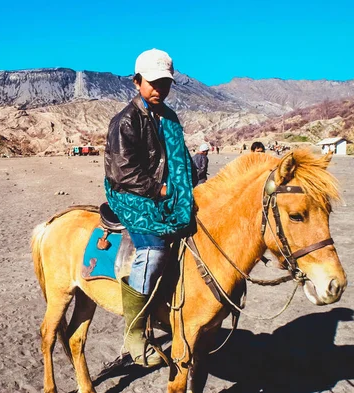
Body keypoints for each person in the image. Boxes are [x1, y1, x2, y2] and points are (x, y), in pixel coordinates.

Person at [104, 49, 194, 367]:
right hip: (129, 194)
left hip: (160, 193)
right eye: (153, 82)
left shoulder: (168, 119)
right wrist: (164, 189)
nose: (159, 89)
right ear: (137, 82)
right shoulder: (124, 121)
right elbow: (123, 171)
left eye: (165, 83)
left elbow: (178, 158)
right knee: (154, 248)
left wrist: (189, 182)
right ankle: (135, 331)